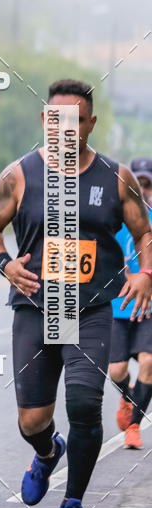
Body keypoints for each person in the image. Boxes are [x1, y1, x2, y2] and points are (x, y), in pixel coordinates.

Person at [0, 79, 152, 508]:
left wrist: (145, 273)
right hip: (36, 306)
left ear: (91, 124)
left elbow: (144, 232)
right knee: (31, 420)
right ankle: (45, 452)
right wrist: (4, 263)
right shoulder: (19, 175)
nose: (65, 129)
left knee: (83, 402)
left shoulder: (117, 178)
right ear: (44, 121)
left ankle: (71, 503)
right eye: (56, 119)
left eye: (76, 120)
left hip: (91, 307)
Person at [109, 158, 152, 449]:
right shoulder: (114, 217)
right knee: (117, 371)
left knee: (149, 363)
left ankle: (134, 425)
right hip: (118, 306)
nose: (142, 189)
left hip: (149, 306)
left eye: (147, 184)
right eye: (137, 183)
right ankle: (127, 395)